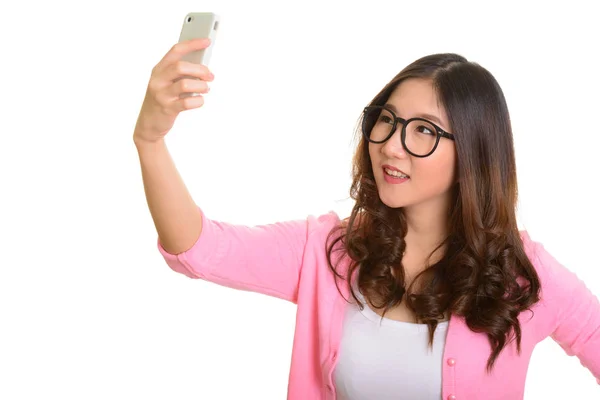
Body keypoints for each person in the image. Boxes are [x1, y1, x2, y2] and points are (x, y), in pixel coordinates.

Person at [133, 38, 600, 400]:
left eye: (424, 130)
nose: (392, 145)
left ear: (474, 154)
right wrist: (150, 142)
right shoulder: (326, 251)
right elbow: (199, 248)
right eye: (388, 120)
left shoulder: (522, 275)